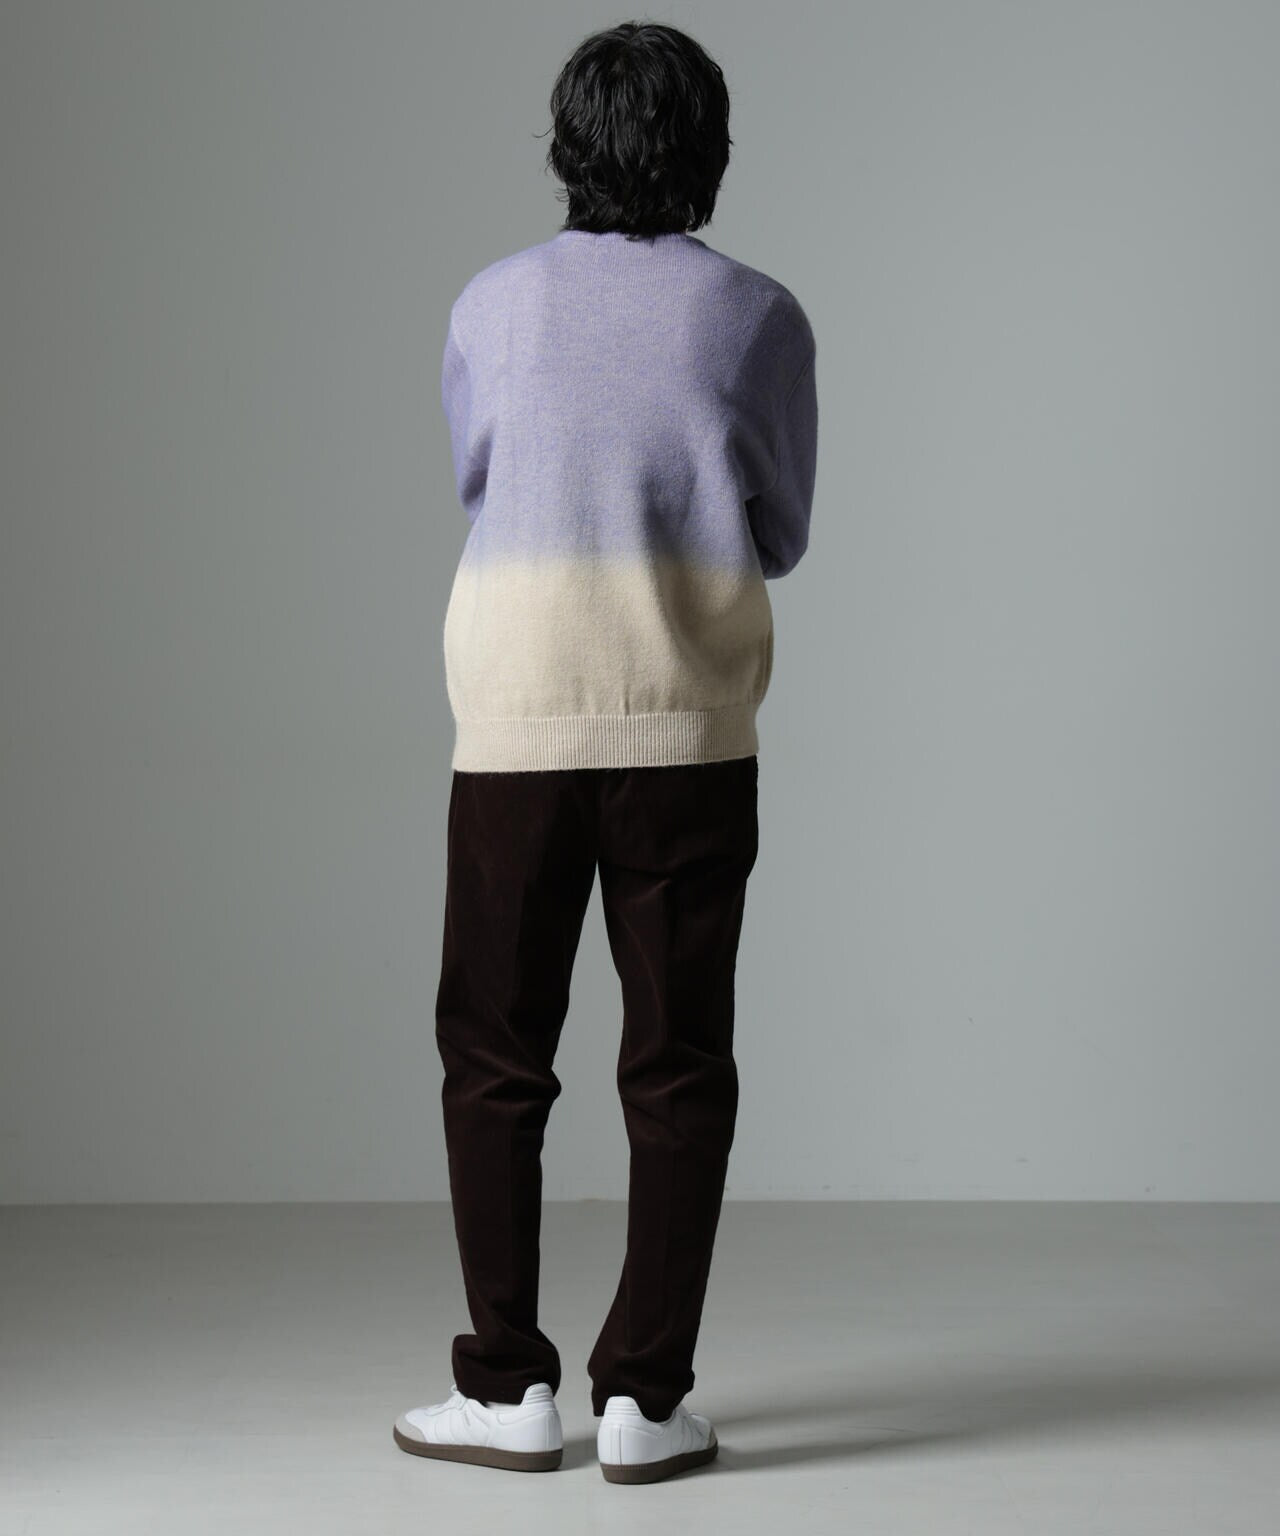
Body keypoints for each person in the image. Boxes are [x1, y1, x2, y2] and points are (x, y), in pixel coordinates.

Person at [394, 19, 818, 1484]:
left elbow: (481, 477)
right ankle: (645, 1399)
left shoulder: (489, 304)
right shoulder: (758, 315)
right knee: (680, 1061)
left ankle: (506, 1387)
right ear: (711, 152)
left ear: (568, 148)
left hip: (516, 715)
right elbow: (781, 529)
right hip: (685, 723)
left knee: (493, 1054)